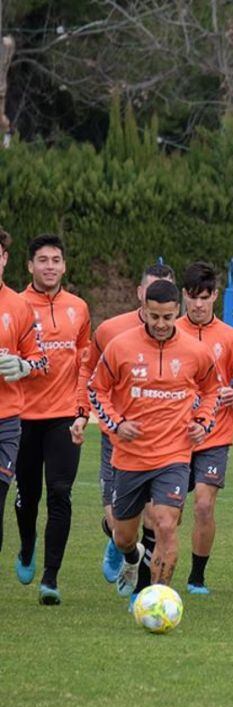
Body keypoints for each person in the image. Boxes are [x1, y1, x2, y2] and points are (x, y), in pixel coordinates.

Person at [87, 280, 222, 605]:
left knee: (165, 524)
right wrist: (117, 424)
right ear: (143, 311)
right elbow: (97, 390)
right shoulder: (120, 347)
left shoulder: (195, 351)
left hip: (174, 455)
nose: (161, 324)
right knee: (123, 537)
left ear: (177, 312)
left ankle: (156, 597)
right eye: (154, 317)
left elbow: (212, 390)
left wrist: (203, 422)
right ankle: (132, 559)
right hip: (130, 458)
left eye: (167, 317)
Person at [84, 263, 175, 585]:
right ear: (140, 293)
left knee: (157, 517)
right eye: (152, 290)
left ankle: (144, 589)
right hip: (118, 440)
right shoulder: (111, 331)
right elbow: (91, 378)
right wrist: (89, 417)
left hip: (165, 447)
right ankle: (123, 549)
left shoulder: (183, 340)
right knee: (119, 525)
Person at [13, 234, 90, 605]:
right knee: (28, 497)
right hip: (22, 417)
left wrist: (81, 411)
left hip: (63, 417)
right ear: (29, 266)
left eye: (56, 260)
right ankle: (27, 545)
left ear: (64, 265)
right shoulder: (14, 306)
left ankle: (51, 578)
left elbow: (84, 364)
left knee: (60, 493)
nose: (49, 266)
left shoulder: (79, 307)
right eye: (42, 260)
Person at [176, 261, 233, 595]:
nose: (198, 304)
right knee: (167, 513)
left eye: (204, 297)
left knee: (205, 505)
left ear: (215, 297)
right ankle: (145, 562)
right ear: (183, 295)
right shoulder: (170, 331)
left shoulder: (229, 337)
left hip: (215, 434)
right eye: (192, 297)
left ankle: (196, 578)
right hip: (174, 436)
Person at [0, 229, 48, 576]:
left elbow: (40, 360)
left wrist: (22, 366)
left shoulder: (19, 307)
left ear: (3, 258)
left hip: (6, 422)